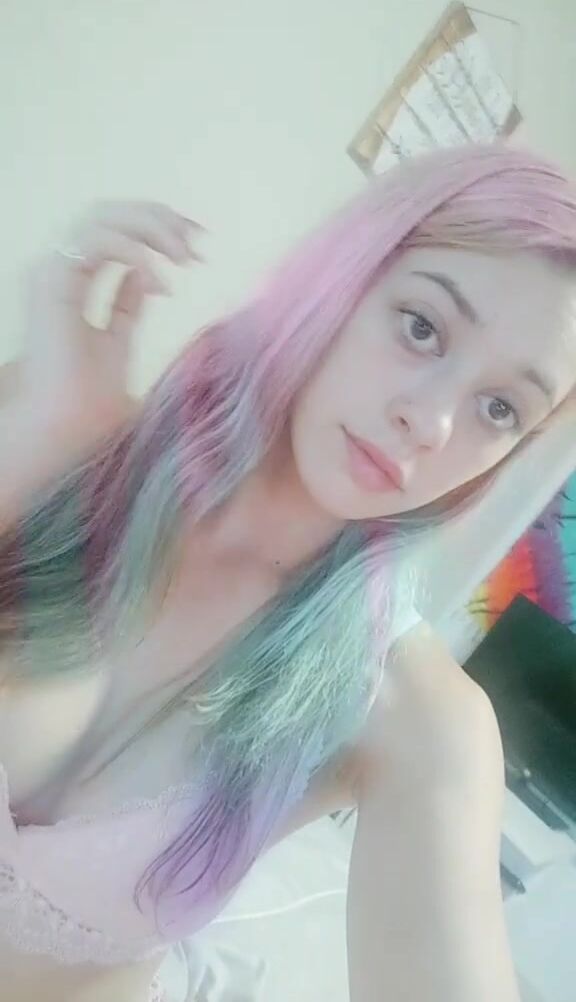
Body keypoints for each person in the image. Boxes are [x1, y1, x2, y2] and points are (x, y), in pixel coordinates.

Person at [0, 141, 575, 1002]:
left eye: (500, 408)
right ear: (343, 277)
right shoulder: (62, 425)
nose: (430, 421)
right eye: (422, 327)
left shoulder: (414, 717)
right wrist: (37, 441)